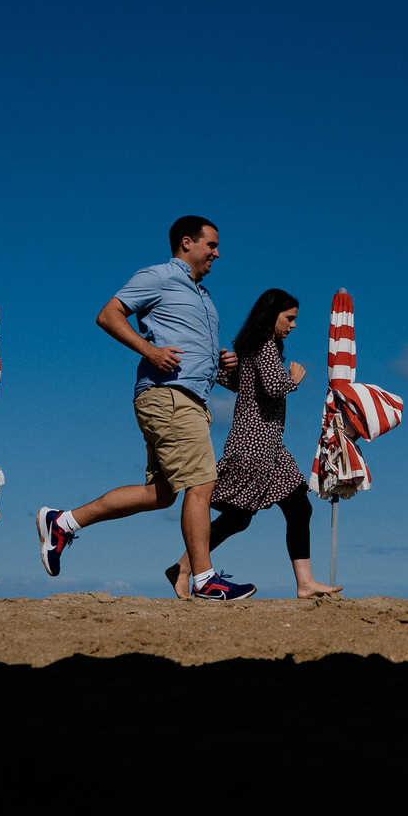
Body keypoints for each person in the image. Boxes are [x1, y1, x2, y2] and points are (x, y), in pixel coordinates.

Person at [36, 216, 256, 602]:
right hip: (168, 396)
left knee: (161, 493)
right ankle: (205, 580)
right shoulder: (157, 276)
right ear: (187, 243)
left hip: (188, 398)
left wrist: (221, 366)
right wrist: (149, 350)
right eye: (212, 245)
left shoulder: (204, 297)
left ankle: (64, 522)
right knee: (202, 483)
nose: (217, 253)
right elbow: (108, 315)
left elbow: (189, 351)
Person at [163, 288, 344, 599]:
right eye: (290, 318)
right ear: (271, 315)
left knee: (297, 508)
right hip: (255, 445)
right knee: (241, 516)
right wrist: (295, 379)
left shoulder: (253, 347)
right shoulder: (265, 346)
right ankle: (183, 566)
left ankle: (305, 583)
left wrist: (227, 368)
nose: (294, 325)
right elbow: (274, 387)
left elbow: (237, 383)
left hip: (269, 444)